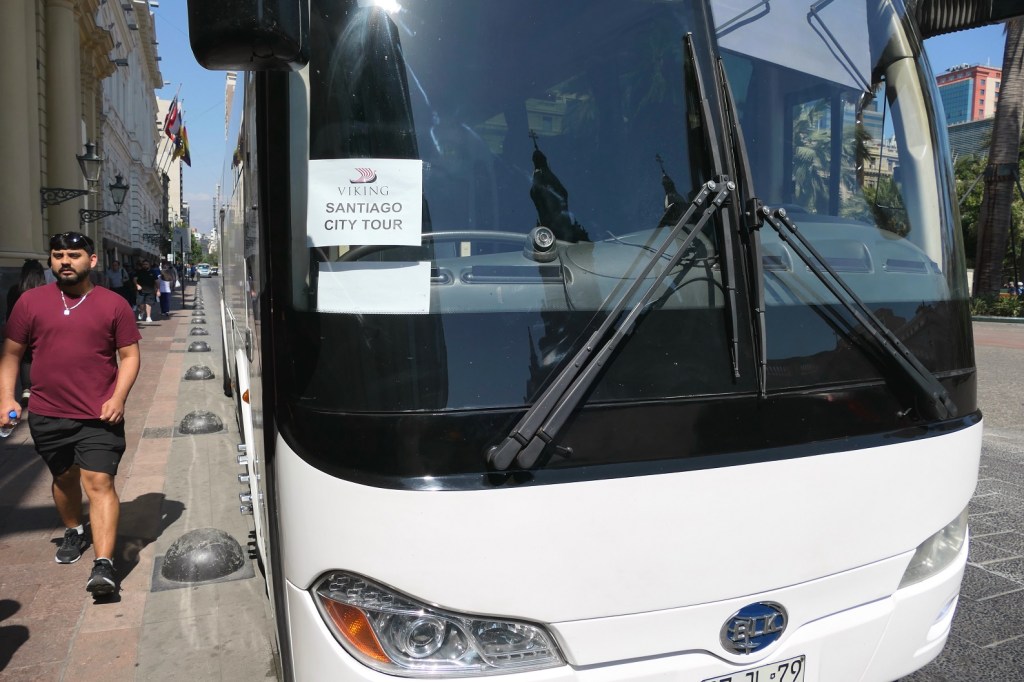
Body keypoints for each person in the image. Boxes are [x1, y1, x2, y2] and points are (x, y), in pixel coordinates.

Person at [0, 232, 141, 597]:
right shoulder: (30, 302)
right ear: (50, 260)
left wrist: (118, 397)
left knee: (99, 482)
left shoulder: (114, 304)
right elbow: (11, 354)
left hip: (99, 415)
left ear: (91, 261)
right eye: (58, 255)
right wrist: (6, 398)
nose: (65, 261)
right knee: (64, 479)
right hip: (48, 413)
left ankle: (104, 565)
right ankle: (74, 530)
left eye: (74, 255)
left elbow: (129, 356)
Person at [5, 259, 47, 403]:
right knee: (41, 355)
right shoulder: (45, 292)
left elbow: (9, 312)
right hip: (40, 328)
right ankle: (42, 387)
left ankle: (26, 389)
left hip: (20, 328)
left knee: (25, 358)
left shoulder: (15, 290)